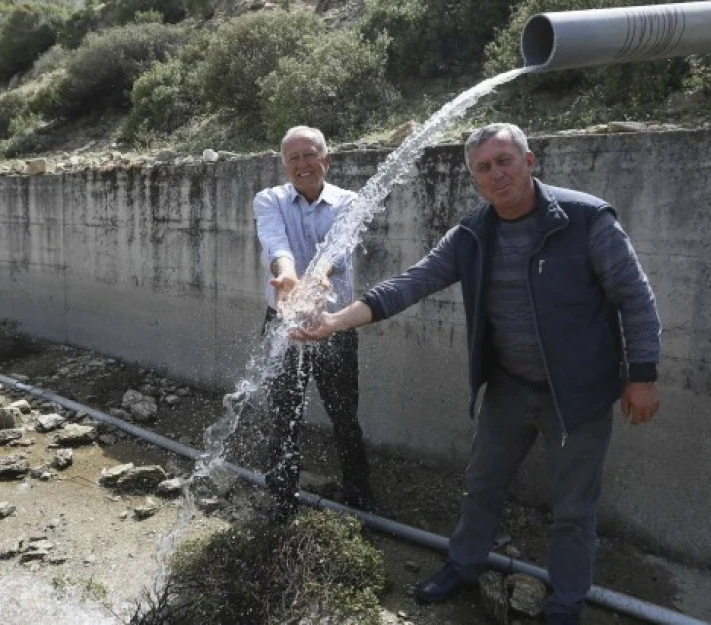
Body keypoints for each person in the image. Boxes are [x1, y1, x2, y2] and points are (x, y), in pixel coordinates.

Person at [290, 123, 661, 624]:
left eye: (504, 161)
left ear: (529, 162)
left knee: (573, 506)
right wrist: (334, 321)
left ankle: (567, 600)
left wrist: (642, 376)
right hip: (508, 387)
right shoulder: (473, 234)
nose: (496, 174)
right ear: (474, 179)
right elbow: (411, 283)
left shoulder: (586, 219)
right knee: (481, 484)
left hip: (577, 393)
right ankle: (464, 565)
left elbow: (634, 299)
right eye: (483, 168)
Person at [254, 125, 377, 521]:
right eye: (293, 158)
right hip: (283, 322)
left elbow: (339, 245)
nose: (302, 164)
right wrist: (288, 275)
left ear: (327, 159)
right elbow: (276, 244)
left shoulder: (350, 201)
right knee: (281, 412)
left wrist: (320, 274)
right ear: (285, 165)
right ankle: (282, 500)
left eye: (310, 155)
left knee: (344, 414)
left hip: (333, 323)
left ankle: (360, 498)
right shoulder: (269, 199)